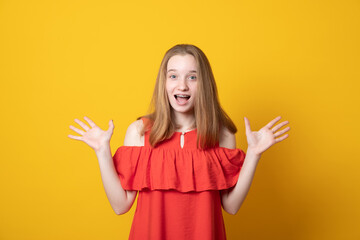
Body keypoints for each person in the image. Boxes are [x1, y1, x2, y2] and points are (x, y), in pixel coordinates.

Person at [68, 44, 290, 239]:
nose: (182, 85)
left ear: (204, 84)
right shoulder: (139, 131)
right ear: (163, 82)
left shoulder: (222, 134)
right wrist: (102, 151)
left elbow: (231, 206)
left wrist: (253, 154)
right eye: (173, 76)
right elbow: (120, 205)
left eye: (192, 77)